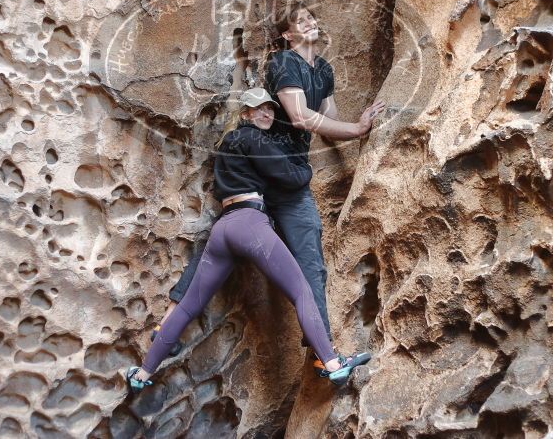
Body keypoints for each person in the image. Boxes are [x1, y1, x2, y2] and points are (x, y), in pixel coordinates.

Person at [153, 2, 386, 374]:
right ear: (287, 35)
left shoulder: (323, 70)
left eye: (313, 17)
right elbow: (299, 117)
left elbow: (329, 120)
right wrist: (356, 130)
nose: (311, 22)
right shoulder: (284, 63)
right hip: (265, 172)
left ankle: (323, 354)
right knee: (220, 244)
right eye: (302, 20)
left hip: (292, 179)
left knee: (311, 262)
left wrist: (359, 127)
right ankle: (167, 321)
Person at [126, 89, 371, 392]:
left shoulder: (227, 144)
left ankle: (142, 374)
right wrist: (305, 167)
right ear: (245, 114)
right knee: (302, 291)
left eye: (269, 109)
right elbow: (292, 177)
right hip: (249, 224)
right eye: (259, 109)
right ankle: (333, 364)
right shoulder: (254, 138)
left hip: (223, 227)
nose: (266, 114)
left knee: (189, 307)